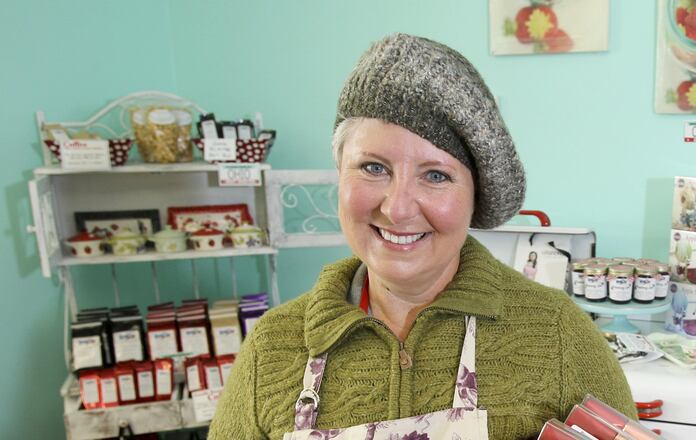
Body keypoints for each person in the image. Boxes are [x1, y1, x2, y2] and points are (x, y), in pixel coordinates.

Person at [209, 33, 636, 440]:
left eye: (435, 175)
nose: (397, 208)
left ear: (474, 196)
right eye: (373, 167)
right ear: (339, 174)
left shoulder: (560, 336)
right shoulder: (270, 348)